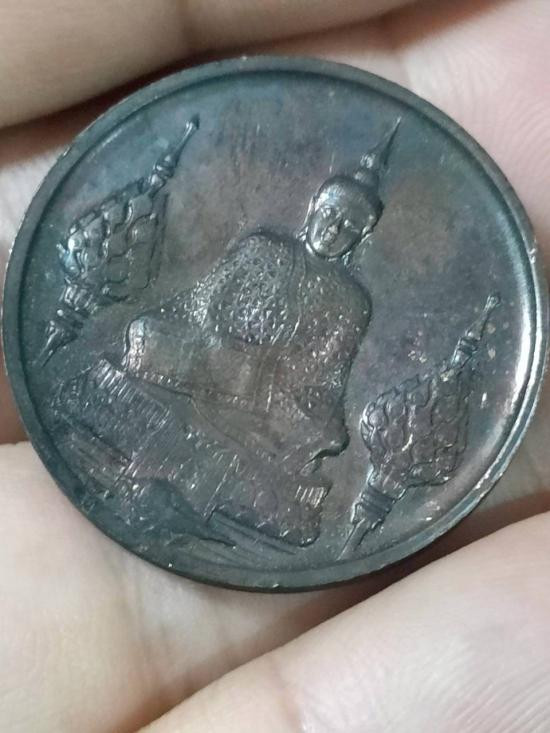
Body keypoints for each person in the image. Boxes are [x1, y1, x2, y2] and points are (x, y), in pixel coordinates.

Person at [1, 1, 549, 731]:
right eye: (329, 214)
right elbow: (195, 308)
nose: (334, 227)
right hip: (200, 369)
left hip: (264, 413)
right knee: (143, 339)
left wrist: (259, 381)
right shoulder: (260, 248)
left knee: (295, 468)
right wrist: (186, 346)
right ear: (313, 210)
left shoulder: (348, 302)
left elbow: (322, 387)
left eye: (349, 225)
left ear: (359, 237)